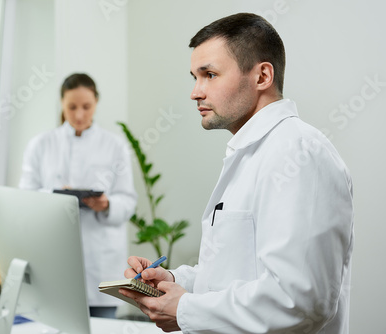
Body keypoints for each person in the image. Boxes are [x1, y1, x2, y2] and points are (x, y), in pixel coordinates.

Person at [120, 13, 354, 333]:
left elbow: (300, 300)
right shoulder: (249, 153)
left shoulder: (300, 154)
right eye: (195, 77)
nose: (196, 92)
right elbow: (232, 274)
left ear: (262, 77)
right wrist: (174, 280)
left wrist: (185, 308)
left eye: (210, 75)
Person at [19, 73, 137, 319]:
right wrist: (55, 196)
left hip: (100, 262)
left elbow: (128, 201)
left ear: (96, 103)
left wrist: (106, 204)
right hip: (55, 259)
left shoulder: (115, 146)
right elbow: (25, 200)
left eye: (87, 107)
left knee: (103, 326)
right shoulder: (40, 145)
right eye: (72, 107)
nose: (80, 115)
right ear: (61, 103)